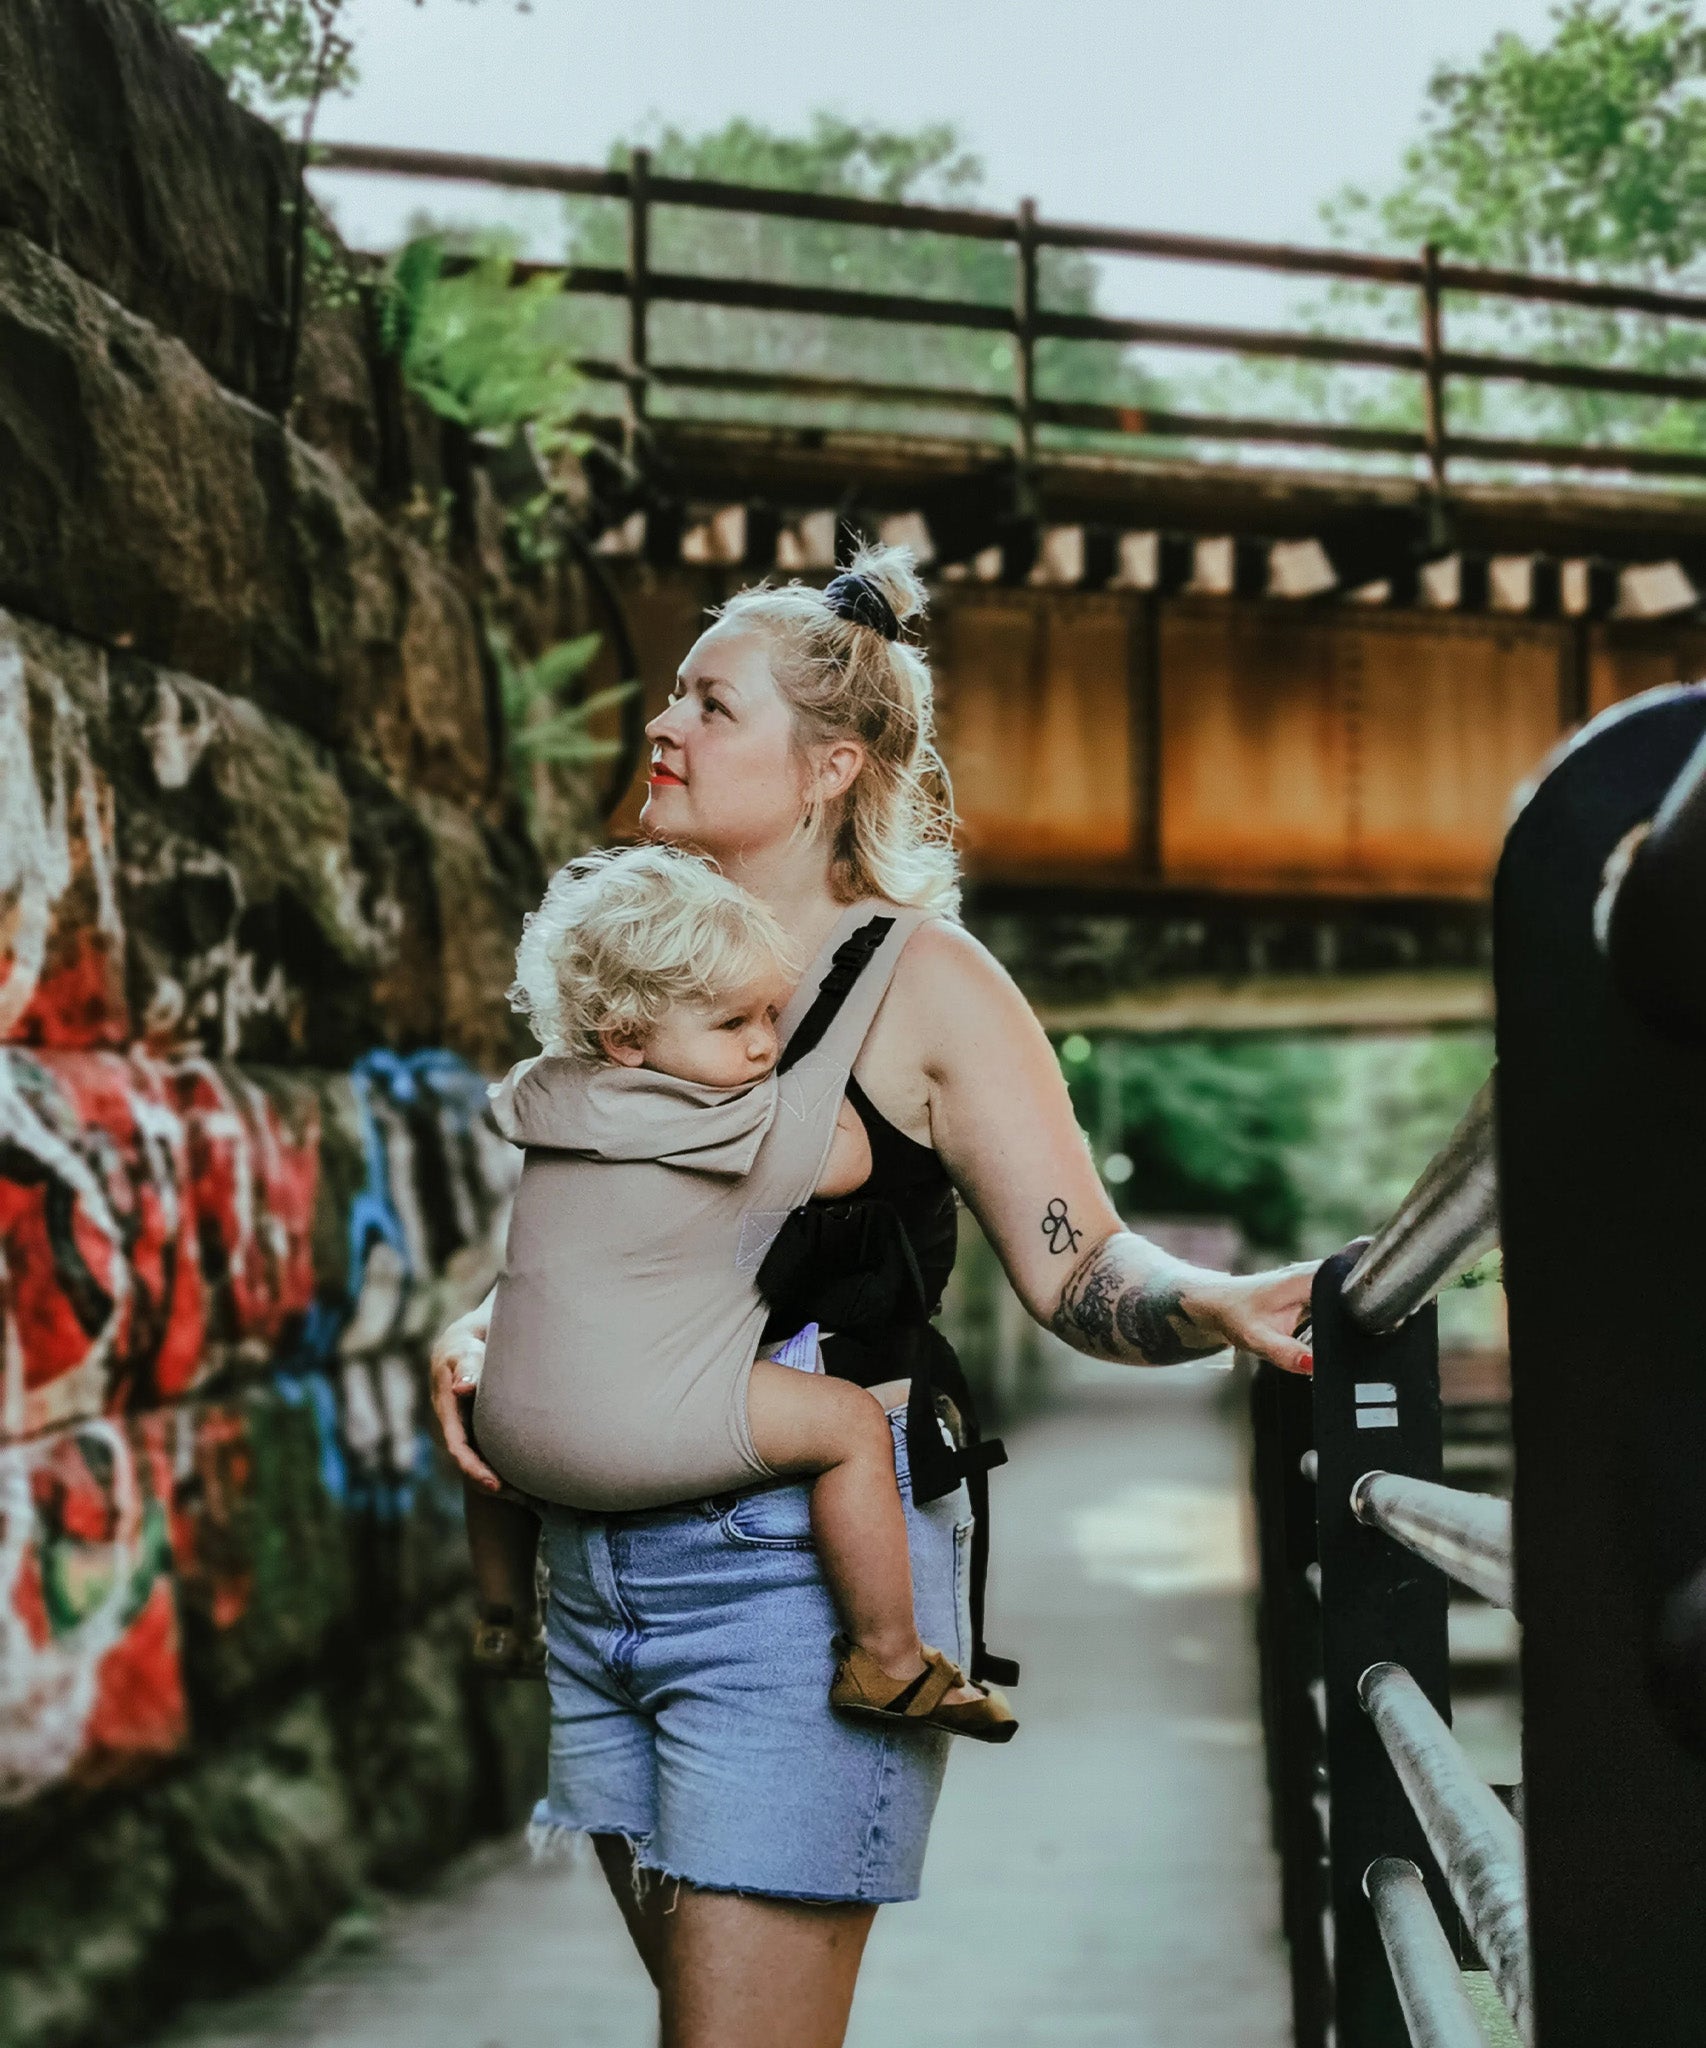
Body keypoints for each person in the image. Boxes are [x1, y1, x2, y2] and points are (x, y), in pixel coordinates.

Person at [431, 540, 1315, 2048]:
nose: (663, 725)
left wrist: (1210, 1299)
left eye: (710, 704)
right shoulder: (632, 965)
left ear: (830, 761)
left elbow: (1079, 1257)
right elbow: (599, 1233)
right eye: (671, 694)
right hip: (600, 1585)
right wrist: (487, 1331)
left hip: (795, 1586)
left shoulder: (927, 982)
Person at [463, 841, 1014, 1741]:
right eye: (734, 1025)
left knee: (504, 1396)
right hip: (637, 1439)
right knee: (845, 1426)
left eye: (774, 1013)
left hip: (510, 1450)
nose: (765, 1043)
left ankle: (500, 1617)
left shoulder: (548, 1102)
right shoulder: (728, 1130)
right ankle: (889, 1658)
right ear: (629, 1039)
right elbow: (852, 1158)